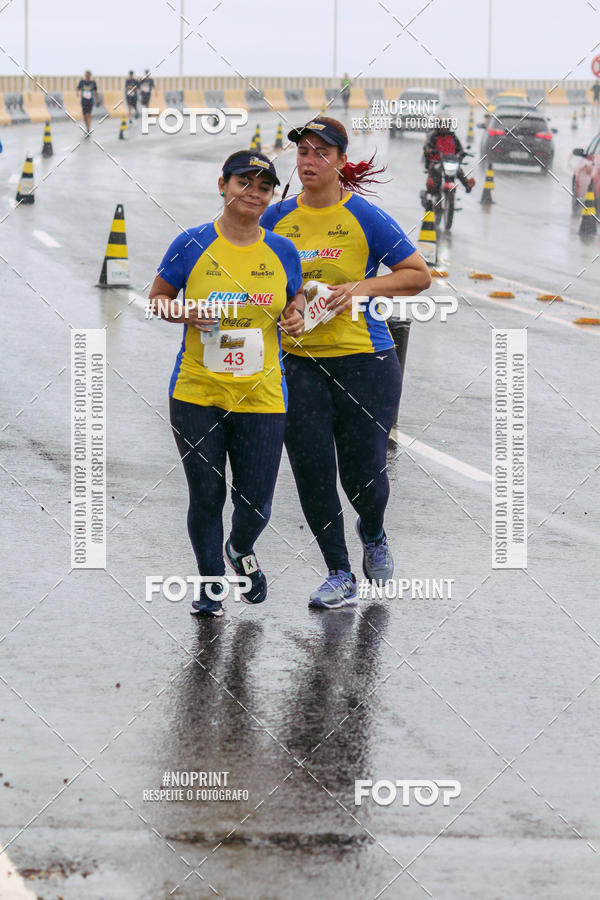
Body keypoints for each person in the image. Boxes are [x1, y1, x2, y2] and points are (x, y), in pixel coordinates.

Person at [261, 117, 431, 610]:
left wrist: (355, 289)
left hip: (366, 360)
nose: (308, 161)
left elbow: (416, 275)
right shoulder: (277, 219)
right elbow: (259, 280)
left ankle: (373, 529)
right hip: (298, 365)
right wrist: (285, 310)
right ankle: (338, 571)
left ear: (339, 160)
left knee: (365, 475)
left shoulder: (365, 217)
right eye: (303, 152)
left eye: (319, 153)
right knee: (312, 472)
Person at [148, 150, 304, 618]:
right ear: (223, 185)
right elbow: (157, 298)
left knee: (255, 504)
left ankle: (240, 548)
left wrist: (295, 316)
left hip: (262, 395)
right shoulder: (192, 243)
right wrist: (184, 311)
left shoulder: (281, 250)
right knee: (208, 494)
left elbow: (293, 298)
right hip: (197, 392)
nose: (254, 193)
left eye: (264, 186)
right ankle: (211, 582)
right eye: (244, 183)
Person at [423, 123, 475, 193]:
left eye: (445, 126)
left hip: (449, 162)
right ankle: (431, 187)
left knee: (458, 170)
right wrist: (431, 151)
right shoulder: (434, 136)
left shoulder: (453, 137)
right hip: (437, 162)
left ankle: (467, 184)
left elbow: (459, 149)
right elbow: (427, 148)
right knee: (433, 171)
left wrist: (462, 153)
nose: (444, 128)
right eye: (442, 125)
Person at [76, 69, 98, 136]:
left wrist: (98, 100)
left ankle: (88, 128)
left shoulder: (93, 83)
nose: (87, 76)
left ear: (90, 76)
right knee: (85, 115)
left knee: (89, 114)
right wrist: (77, 93)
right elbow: (78, 88)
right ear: (85, 75)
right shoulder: (82, 82)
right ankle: (87, 126)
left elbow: (95, 92)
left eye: (89, 75)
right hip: (83, 101)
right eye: (86, 75)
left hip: (90, 101)